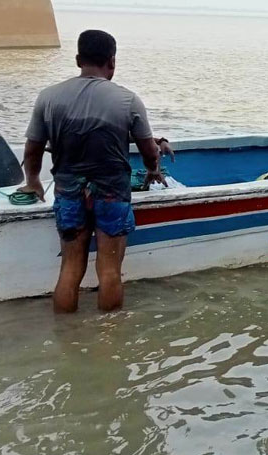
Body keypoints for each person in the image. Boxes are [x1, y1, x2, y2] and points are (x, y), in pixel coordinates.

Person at [19, 29, 170, 313]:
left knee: (70, 268)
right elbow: (150, 151)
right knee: (110, 270)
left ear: (78, 59)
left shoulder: (48, 98)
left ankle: (66, 334)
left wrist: (34, 181)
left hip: (68, 192)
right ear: (111, 62)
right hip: (112, 193)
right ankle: (108, 341)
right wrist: (152, 170)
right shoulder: (128, 100)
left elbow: (32, 149)